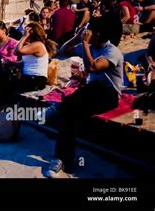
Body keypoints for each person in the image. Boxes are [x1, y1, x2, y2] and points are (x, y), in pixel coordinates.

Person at [47, 17, 123, 177]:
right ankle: (63, 159)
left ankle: (61, 158)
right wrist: (76, 38)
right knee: (71, 114)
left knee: (69, 112)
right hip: (91, 90)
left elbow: (93, 67)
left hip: (108, 95)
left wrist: (86, 44)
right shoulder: (88, 45)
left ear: (98, 34)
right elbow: (62, 52)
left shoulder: (112, 52)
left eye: (89, 31)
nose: (86, 33)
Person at [0, 22, 56, 105]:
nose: (23, 33)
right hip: (28, 77)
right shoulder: (32, 45)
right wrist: (10, 62)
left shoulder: (38, 45)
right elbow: (23, 63)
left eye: (25, 32)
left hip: (36, 80)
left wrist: (24, 37)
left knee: (6, 85)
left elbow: (17, 51)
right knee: (3, 82)